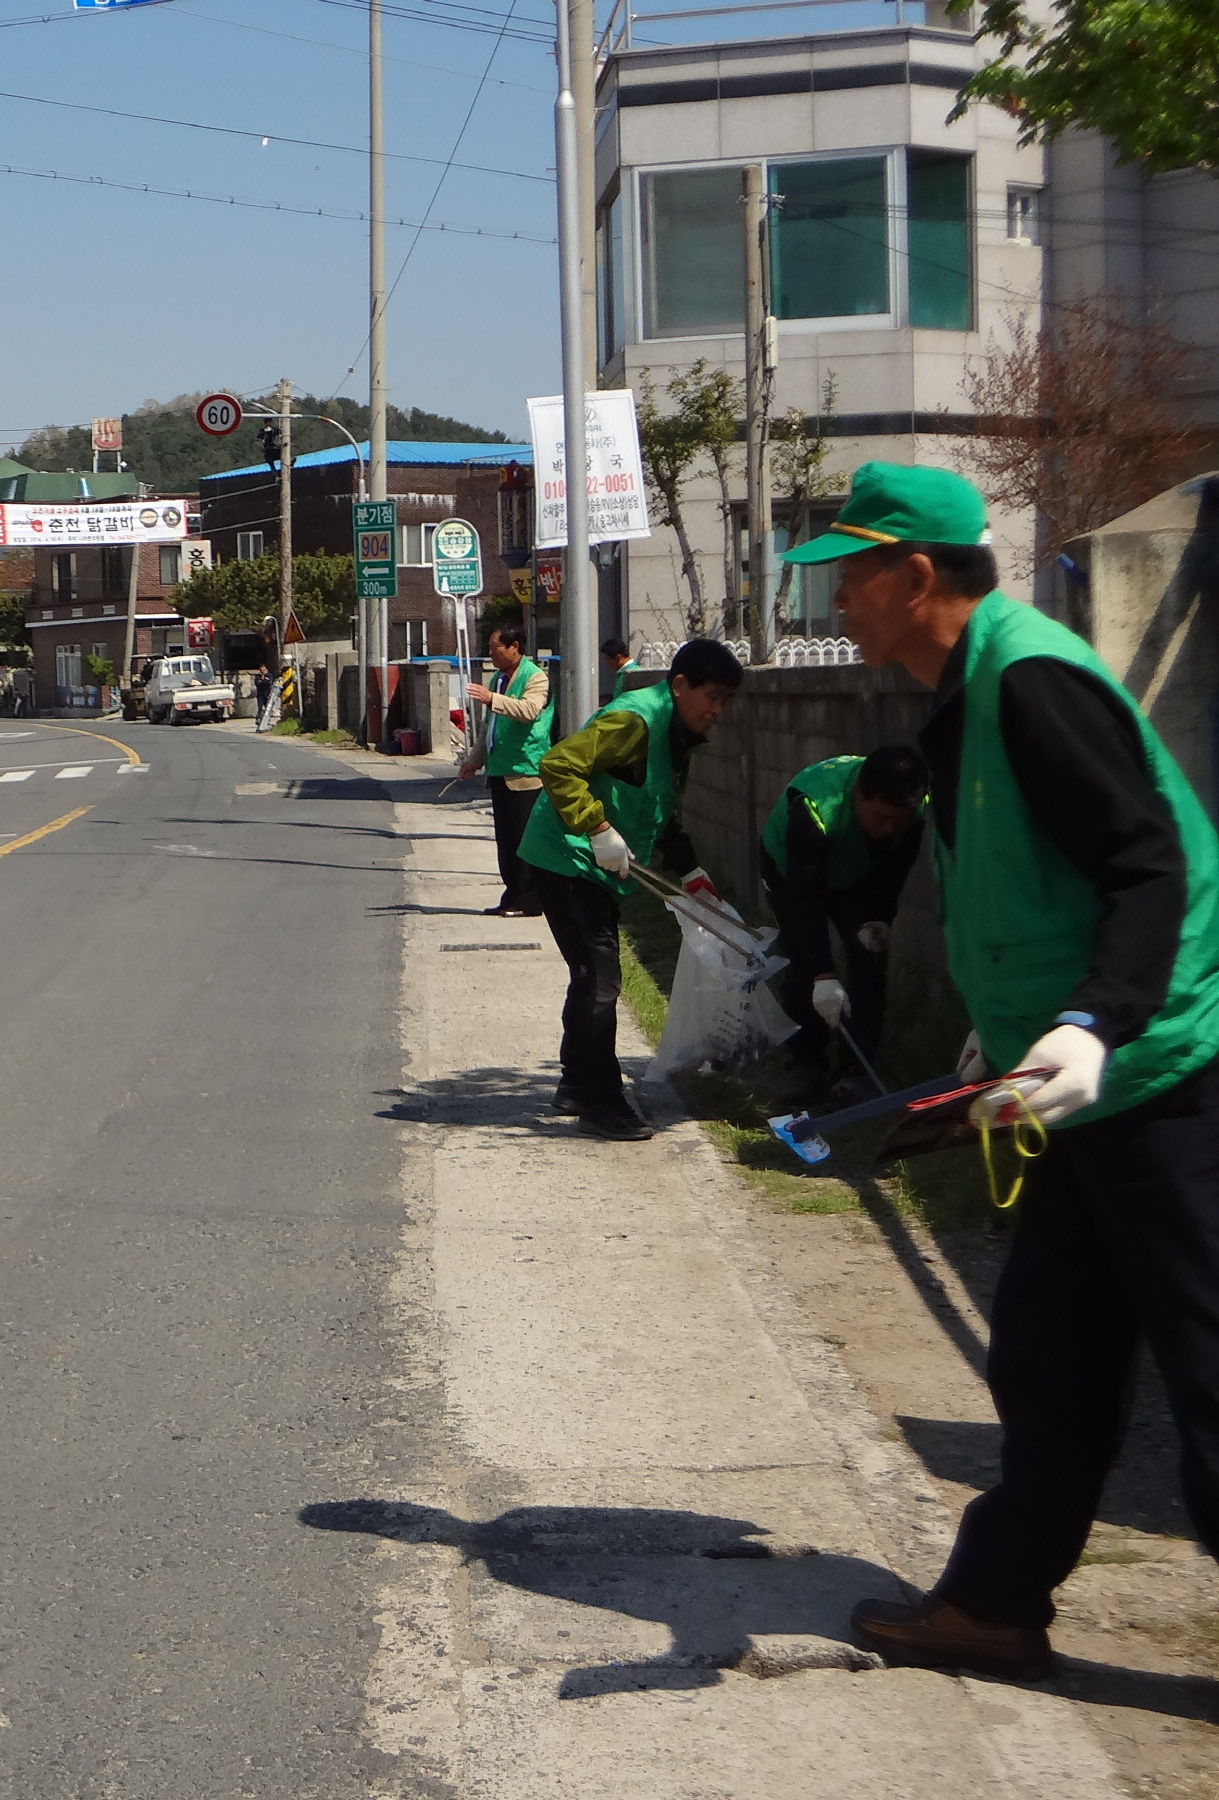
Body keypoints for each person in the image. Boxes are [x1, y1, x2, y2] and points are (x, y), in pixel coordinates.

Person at [770, 462, 1219, 1684]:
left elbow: (1151, 865)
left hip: (1166, 1074)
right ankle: (995, 1605)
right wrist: (1006, 1036)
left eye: (849, 579)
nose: (835, 605)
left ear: (919, 577)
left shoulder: (1029, 682)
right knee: (1049, 1356)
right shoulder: (967, 692)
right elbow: (1037, 887)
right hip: (1082, 1082)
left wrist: (1095, 1021)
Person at [517, 637, 745, 1140]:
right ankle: (602, 1099)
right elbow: (558, 765)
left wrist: (690, 874)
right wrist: (597, 829)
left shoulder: (675, 731)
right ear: (679, 684)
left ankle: (577, 1083)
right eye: (712, 696)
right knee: (599, 978)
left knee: (589, 976)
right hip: (567, 855)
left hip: (597, 864)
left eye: (726, 700)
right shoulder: (636, 720)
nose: (718, 710)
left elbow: (659, 804)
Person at [758, 745, 928, 1105]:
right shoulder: (816, 805)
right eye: (881, 816)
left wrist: (882, 915)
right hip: (793, 873)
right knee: (802, 964)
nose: (889, 828)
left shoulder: (913, 807)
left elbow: (898, 865)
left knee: (868, 961)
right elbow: (806, 898)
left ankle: (856, 1072)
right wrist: (823, 974)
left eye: (898, 820)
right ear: (857, 796)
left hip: (855, 875)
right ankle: (806, 1065)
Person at [458, 625, 552, 916]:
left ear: (514, 647)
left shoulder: (535, 677)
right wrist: (474, 759)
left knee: (526, 840)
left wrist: (491, 699)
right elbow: (490, 726)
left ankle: (531, 900)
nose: (491, 654)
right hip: (500, 769)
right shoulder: (499, 678)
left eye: (495, 648)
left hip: (525, 770)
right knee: (506, 841)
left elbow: (529, 711)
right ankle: (512, 894)